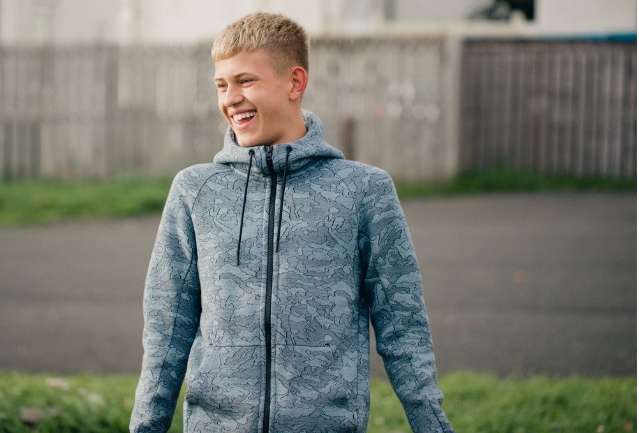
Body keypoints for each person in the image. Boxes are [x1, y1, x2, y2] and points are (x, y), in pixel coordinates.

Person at [130, 12, 454, 433]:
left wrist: (433, 426)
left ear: (295, 83)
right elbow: (166, 328)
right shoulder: (195, 190)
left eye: (245, 81)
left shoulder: (363, 190)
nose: (230, 98)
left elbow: (403, 324)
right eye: (221, 85)